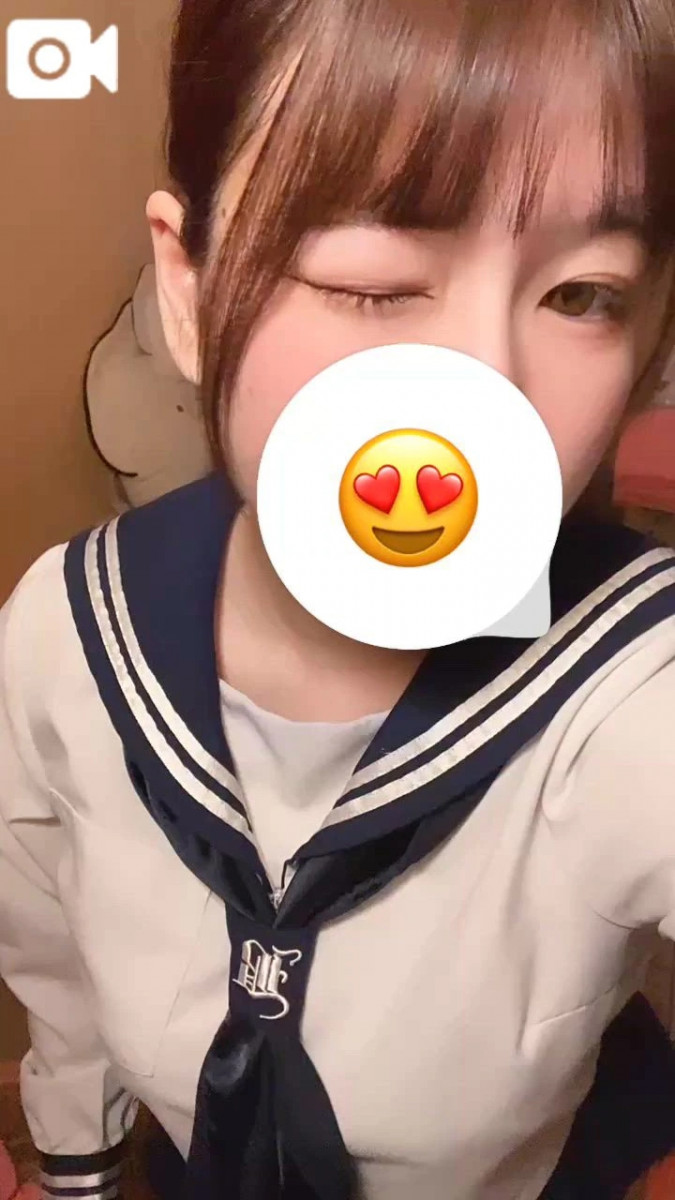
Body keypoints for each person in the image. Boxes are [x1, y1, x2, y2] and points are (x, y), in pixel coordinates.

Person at [2, 1, 675, 1198]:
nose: (487, 401)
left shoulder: (634, 688)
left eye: (582, 296)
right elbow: (50, 952)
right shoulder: (64, 633)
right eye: (372, 282)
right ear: (188, 287)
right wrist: (77, 1165)